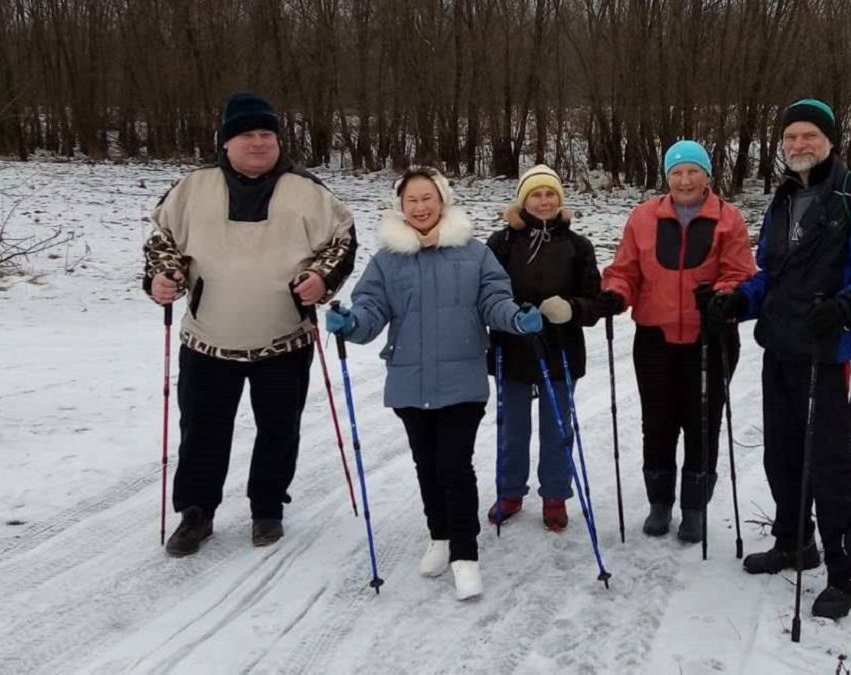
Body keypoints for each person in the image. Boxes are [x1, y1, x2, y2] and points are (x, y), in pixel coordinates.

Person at [707, 98, 851, 619]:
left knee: (830, 464)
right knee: (783, 456)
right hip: (781, 348)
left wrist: (843, 309)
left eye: (809, 135)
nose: (799, 145)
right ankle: (794, 543)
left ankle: (847, 574)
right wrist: (739, 302)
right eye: (791, 137)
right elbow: (772, 276)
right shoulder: (785, 197)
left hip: (828, 352)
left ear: (830, 140)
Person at [143, 92, 357, 557]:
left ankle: (267, 507)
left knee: (279, 428)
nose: (259, 142)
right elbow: (161, 240)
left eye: (266, 134)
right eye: (247, 134)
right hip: (208, 340)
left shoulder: (308, 190)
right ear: (225, 141)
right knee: (202, 431)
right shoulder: (192, 187)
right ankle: (196, 512)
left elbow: (341, 241)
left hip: (284, 340)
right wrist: (163, 276)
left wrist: (321, 279)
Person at [325, 166, 543, 601]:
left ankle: (465, 555)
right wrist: (351, 323)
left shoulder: (474, 254)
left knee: (454, 466)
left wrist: (517, 319)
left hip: (462, 380)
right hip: (410, 381)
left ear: (442, 201)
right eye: (412, 200)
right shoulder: (388, 260)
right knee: (426, 465)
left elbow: (494, 300)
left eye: (428, 198)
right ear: (401, 206)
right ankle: (439, 536)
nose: (420, 207)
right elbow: (371, 309)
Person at [598, 140, 755, 543]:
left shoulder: (728, 218)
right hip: (655, 337)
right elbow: (625, 270)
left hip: (711, 336)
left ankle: (694, 508)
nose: (685, 180)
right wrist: (615, 293)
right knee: (658, 422)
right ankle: (660, 503)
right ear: (667, 177)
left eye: (693, 171)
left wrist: (721, 296)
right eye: (677, 172)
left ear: (707, 175)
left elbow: (740, 272)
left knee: (703, 423)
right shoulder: (643, 217)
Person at [484, 165, 603, 532]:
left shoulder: (578, 246)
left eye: (550, 194)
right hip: (512, 347)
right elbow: (485, 293)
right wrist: (510, 313)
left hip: (560, 348)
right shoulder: (501, 243)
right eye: (536, 194)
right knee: (513, 427)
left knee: (557, 427)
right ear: (523, 200)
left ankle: (555, 495)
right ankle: (510, 491)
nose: (544, 201)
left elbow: (594, 301)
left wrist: (571, 309)